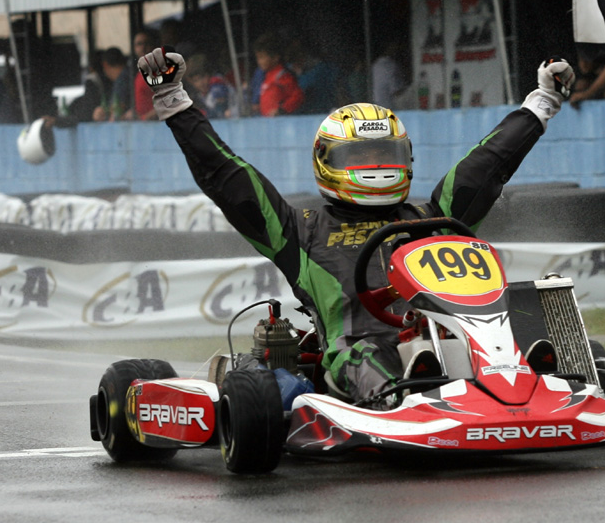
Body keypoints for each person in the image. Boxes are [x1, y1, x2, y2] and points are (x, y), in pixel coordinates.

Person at [137, 45, 574, 406]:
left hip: (448, 342)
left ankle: (547, 382)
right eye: (359, 158)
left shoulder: (433, 220)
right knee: (362, 353)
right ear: (327, 162)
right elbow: (226, 175)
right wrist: (174, 100)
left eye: (386, 154)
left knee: (520, 327)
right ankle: (402, 398)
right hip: (355, 357)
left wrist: (542, 102)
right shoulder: (299, 232)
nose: (376, 167)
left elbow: (488, 164)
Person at [254, 32, 304, 117]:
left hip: (281, 123)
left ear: (275, 58)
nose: (259, 62)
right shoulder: (266, 76)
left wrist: (282, 110)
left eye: (262, 57)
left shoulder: (281, 75)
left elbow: (298, 96)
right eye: (258, 58)